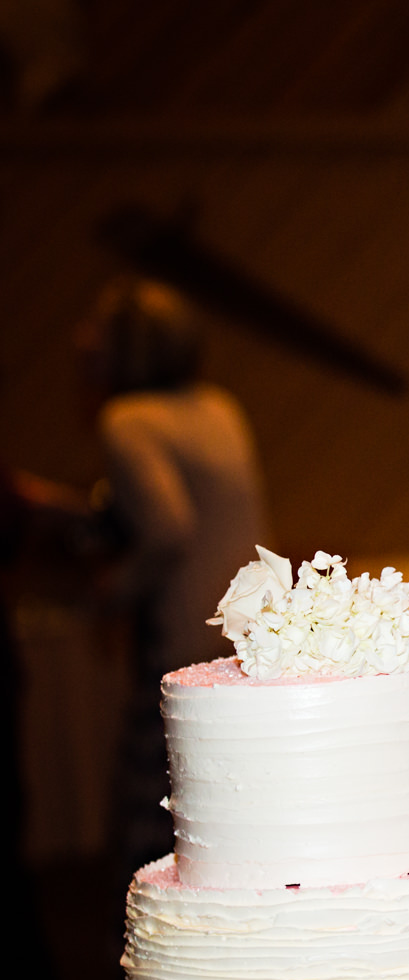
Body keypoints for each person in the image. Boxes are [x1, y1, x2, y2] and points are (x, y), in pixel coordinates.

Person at [80, 278, 270, 870]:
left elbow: (168, 529)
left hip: (182, 642)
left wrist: (110, 593)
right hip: (253, 632)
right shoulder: (219, 406)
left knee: (156, 828)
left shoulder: (128, 419)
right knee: (238, 812)